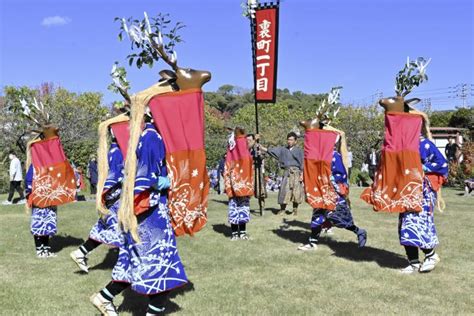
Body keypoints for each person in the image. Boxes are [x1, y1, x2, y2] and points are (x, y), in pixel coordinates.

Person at [70, 115, 129, 273]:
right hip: (116, 198)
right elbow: (118, 176)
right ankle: (126, 270)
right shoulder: (118, 152)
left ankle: (80, 252)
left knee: (103, 228)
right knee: (123, 233)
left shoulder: (114, 150)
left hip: (112, 197)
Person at [259, 132, 304, 215]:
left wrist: (302, 174)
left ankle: (295, 209)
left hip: (297, 172)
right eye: (288, 140)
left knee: (296, 191)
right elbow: (272, 151)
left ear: (295, 141)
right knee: (284, 190)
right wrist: (262, 148)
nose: (289, 141)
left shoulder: (299, 151)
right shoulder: (283, 149)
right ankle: (282, 209)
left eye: (291, 140)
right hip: (287, 173)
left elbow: (303, 163)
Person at [224, 128, 254, 240]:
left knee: (243, 208)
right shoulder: (231, 152)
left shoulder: (246, 155)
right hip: (234, 185)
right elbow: (227, 170)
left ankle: (242, 232)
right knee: (234, 208)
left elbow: (249, 166)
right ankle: (234, 233)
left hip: (243, 185)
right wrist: (229, 185)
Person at [246, 133, 267, 208]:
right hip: (248, 171)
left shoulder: (258, 146)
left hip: (257, 169)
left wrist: (260, 154)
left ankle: (262, 206)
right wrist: (254, 140)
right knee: (247, 189)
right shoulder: (245, 147)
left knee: (260, 189)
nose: (248, 141)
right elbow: (247, 148)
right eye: (247, 140)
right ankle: (245, 206)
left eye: (250, 140)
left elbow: (264, 155)